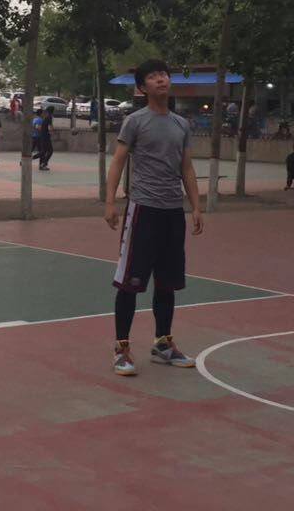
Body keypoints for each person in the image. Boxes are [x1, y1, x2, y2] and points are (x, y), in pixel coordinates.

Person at [105, 59, 204, 377]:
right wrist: (110, 202)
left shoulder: (181, 124)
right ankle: (121, 348)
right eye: (153, 76)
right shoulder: (135, 121)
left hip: (173, 212)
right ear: (142, 87)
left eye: (164, 74)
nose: (161, 79)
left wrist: (196, 206)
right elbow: (118, 162)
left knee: (167, 283)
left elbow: (186, 167)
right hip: (143, 210)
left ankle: (163, 344)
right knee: (130, 283)